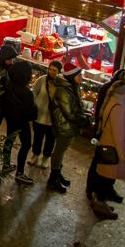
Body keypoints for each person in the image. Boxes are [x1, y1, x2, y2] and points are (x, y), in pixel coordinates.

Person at [89, 79, 125, 220]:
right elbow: (118, 133)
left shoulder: (112, 101)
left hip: (106, 143)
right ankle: (101, 206)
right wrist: (122, 153)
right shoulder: (119, 107)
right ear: (123, 93)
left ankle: (101, 204)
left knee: (103, 176)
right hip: (112, 147)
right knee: (106, 179)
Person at [48, 62, 90, 193]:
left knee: (62, 150)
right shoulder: (63, 90)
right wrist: (83, 119)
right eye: (79, 75)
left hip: (68, 126)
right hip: (63, 126)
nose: (81, 78)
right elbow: (69, 113)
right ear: (72, 76)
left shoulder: (72, 87)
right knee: (59, 151)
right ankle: (53, 178)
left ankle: (57, 174)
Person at [1, 60, 37, 185]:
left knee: (9, 140)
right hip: (22, 122)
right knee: (26, 144)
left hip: (10, 118)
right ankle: (20, 172)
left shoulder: (8, 85)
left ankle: (5, 164)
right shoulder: (27, 93)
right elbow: (30, 113)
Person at [29, 60, 63, 169]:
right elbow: (34, 93)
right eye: (50, 69)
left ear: (59, 72)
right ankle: (35, 155)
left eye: (54, 70)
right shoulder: (42, 80)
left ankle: (45, 158)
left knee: (50, 140)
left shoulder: (61, 85)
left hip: (52, 119)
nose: (52, 72)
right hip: (39, 116)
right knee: (37, 138)